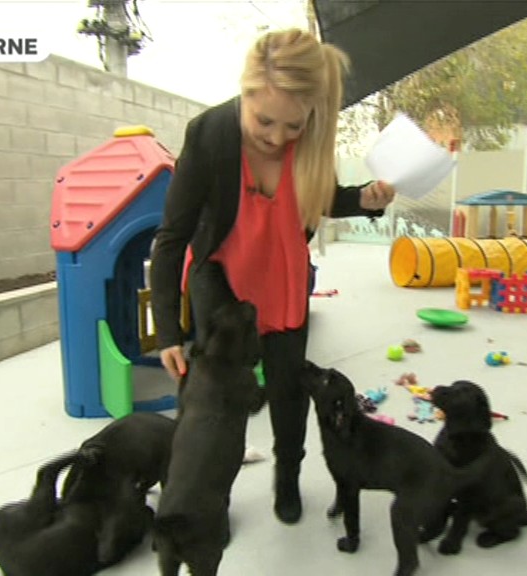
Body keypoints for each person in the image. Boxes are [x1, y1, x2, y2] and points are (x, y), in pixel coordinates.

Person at [149, 28, 395, 525]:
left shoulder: (310, 140)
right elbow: (172, 237)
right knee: (219, 401)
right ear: (245, 92)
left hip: (281, 278)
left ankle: (288, 475)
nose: (278, 138)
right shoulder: (209, 135)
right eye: (264, 121)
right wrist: (168, 332)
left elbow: (320, 195)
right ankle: (208, 494)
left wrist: (364, 199)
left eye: (292, 127)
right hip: (221, 277)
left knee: (288, 388)